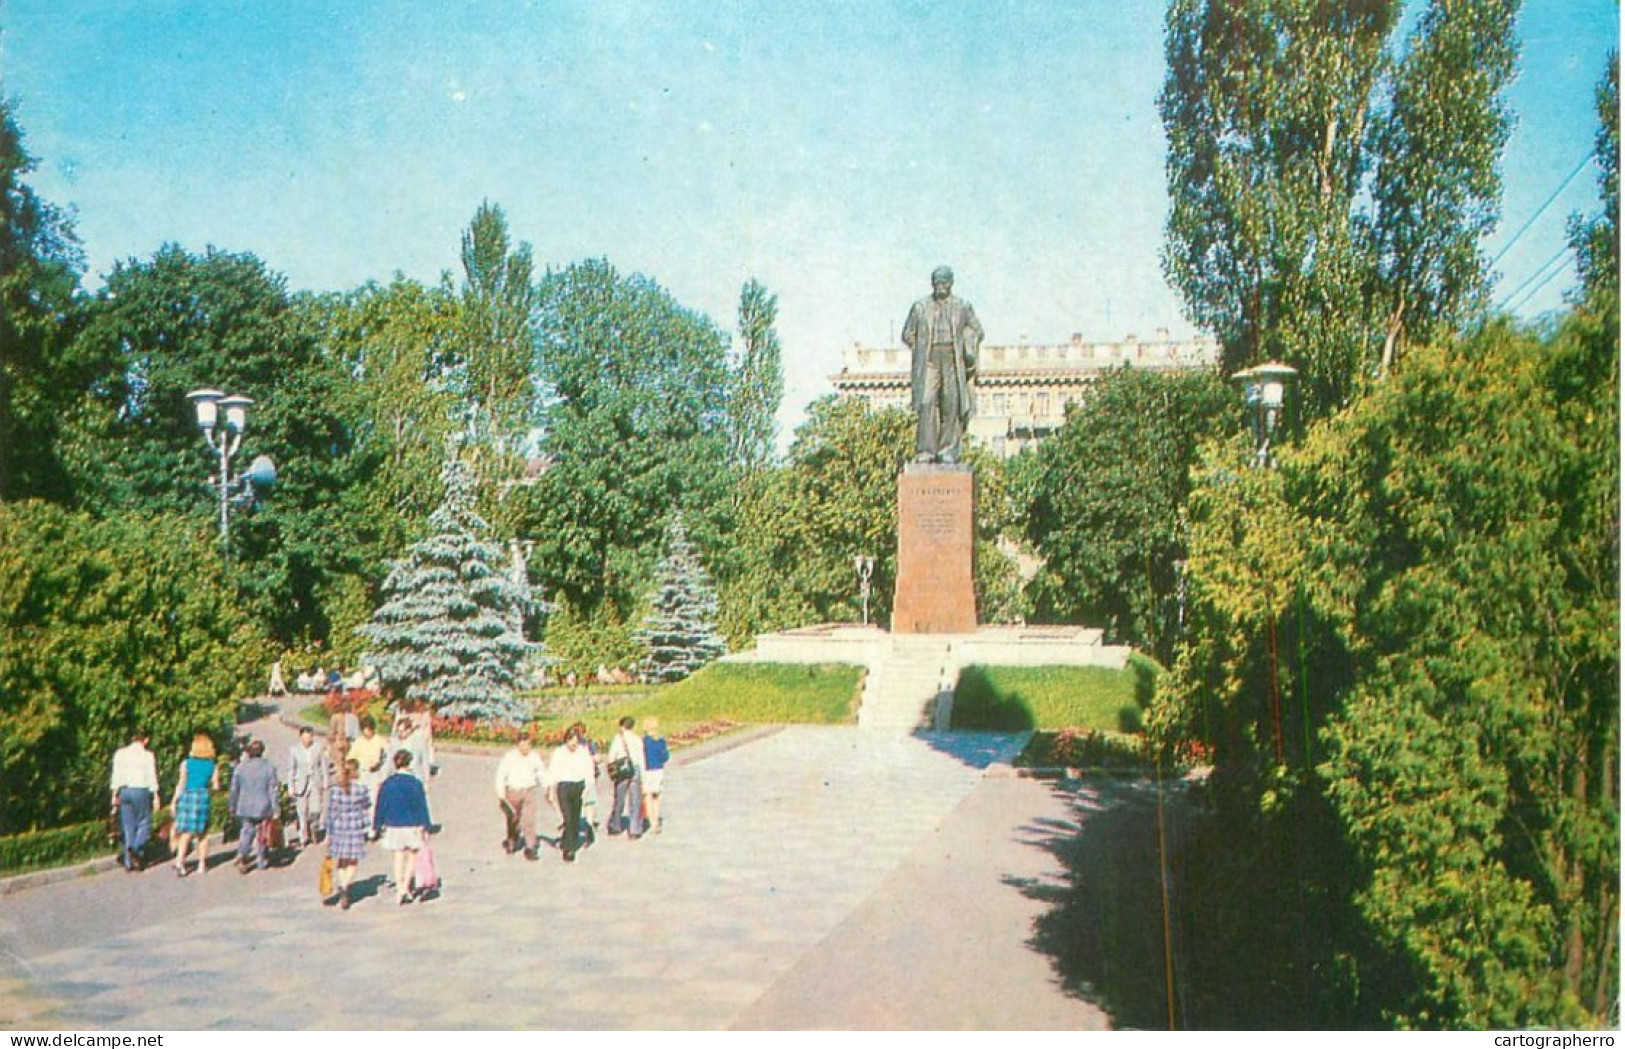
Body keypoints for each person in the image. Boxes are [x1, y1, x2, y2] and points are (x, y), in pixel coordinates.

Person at [901, 265, 983, 465]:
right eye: (937, 282)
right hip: (929, 358)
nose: (941, 286)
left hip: (953, 358)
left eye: (944, 282)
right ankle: (926, 451)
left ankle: (948, 451)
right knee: (926, 402)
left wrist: (967, 343)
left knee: (951, 403)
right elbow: (907, 333)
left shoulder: (963, 306)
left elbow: (977, 330)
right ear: (933, 283)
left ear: (951, 283)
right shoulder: (920, 306)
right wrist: (919, 347)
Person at [373, 750, 433, 906]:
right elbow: (422, 806)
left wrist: (377, 825)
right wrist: (426, 824)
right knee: (412, 856)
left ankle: (399, 888)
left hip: (393, 824)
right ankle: (406, 886)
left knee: (398, 856)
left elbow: (381, 806)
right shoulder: (416, 783)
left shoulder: (387, 784)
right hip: (412, 824)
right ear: (409, 763)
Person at [109, 728, 160, 872]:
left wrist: (114, 794)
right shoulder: (148, 755)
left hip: (124, 790)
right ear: (146, 740)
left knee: (128, 826)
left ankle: (128, 862)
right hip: (140, 790)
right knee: (144, 822)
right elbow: (152, 775)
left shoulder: (120, 753)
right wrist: (155, 795)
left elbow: (116, 775)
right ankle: (136, 850)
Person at [170, 733, 220, 877]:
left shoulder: (186, 763)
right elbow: (216, 786)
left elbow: (181, 783)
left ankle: (180, 862)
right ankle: (202, 864)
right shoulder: (212, 765)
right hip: (203, 796)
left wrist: (174, 801)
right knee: (202, 834)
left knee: (186, 832)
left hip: (188, 795)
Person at [228, 740, 280, 873]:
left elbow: (234, 789)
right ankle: (261, 859)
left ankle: (242, 854)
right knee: (262, 833)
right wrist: (276, 808)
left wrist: (232, 805)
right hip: (263, 805)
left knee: (247, 831)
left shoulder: (240, 768)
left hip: (244, 805)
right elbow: (272, 789)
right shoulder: (269, 767)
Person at [324, 758, 369, 910]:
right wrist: (367, 826)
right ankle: (345, 885)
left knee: (342, 859)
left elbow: (331, 812)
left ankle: (342, 884)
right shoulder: (361, 789)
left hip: (339, 827)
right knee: (353, 861)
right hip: (355, 827)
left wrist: (328, 832)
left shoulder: (335, 790)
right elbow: (366, 807)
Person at [546, 727, 596, 863]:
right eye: (571, 740)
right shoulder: (559, 753)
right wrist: (551, 789)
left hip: (578, 786)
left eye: (576, 740)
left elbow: (589, 770)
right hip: (564, 786)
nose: (573, 743)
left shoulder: (583, 752)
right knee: (567, 817)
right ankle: (569, 850)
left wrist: (588, 787)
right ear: (566, 740)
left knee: (575, 818)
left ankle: (568, 839)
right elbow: (553, 771)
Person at [494, 735, 547, 860]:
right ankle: (511, 839)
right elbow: (501, 775)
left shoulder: (534, 757)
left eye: (528, 745)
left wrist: (547, 788)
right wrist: (501, 794)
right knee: (514, 819)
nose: (525, 748)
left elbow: (541, 773)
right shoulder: (510, 757)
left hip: (529, 791)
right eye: (523, 745)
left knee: (529, 820)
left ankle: (530, 847)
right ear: (518, 744)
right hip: (513, 791)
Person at [286, 726, 328, 849]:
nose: (307, 739)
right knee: (302, 811)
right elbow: (291, 769)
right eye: (304, 737)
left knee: (315, 810)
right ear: (300, 737)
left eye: (309, 737)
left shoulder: (318, 748)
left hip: (314, 782)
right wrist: (291, 786)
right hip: (301, 784)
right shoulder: (294, 750)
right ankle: (303, 837)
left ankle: (313, 828)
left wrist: (325, 781)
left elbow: (324, 766)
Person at [347, 716, 389, 835]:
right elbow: (351, 758)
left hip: (375, 774)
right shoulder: (358, 742)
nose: (367, 733)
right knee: (361, 802)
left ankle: (372, 829)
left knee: (373, 802)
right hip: (362, 774)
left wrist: (380, 766)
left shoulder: (379, 740)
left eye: (369, 730)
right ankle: (362, 826)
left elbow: (387, 756)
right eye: (365, 730)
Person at [606, 716, 646, 840]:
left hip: (623, 769)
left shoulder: (618, 739)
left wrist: (611, 769)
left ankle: (615, 825)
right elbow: (641, 758)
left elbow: (612, 756)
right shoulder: (637, 739)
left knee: (619, 799)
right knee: (635, 800)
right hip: (635, 769)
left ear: (622, 726)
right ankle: (635, 829)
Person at [641, 716, 670, 835]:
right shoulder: (661, 741)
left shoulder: (644, 741)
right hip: (659, 770)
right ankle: (657, 820)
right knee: (656, 796)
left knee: (647, 795)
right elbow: (665, 756)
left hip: (647, 770)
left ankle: (651, 821)